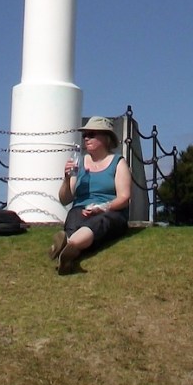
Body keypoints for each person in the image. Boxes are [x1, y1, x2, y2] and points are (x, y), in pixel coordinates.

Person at [50, 116, 132, 274]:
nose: (86, 138)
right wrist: (67, 179)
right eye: (84, 135)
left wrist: (102, 207)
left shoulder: (118, 162)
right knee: (74, 217)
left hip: (110, 211)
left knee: (100, 222)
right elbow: (65, 199)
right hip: (81, 209)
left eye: (92, 134)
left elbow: (124, 198)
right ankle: (69, 251)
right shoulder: (79, 163)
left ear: (106, 138)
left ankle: (67, 245)